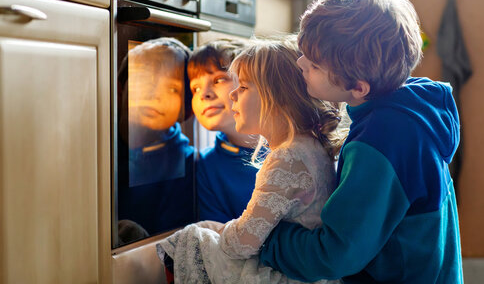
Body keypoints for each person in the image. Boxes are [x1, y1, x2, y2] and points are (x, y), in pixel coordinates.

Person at [259, 0, 464, 283]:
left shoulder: (382, 142)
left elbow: (335, 255)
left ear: (358, 88)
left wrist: (268, 237)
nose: (300, 64)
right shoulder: (410, 107)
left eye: (314, 64)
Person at [156, 38, 344, 284]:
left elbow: (242, 244)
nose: (234, 93)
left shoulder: (286, 156)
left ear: (277, 98)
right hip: (307, 272)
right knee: (206, 228)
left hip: (287, 275)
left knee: (190, 238)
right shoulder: (312, 147)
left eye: (242, 87)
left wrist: (219, 233)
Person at [117, 37, 196, 244]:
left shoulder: (186, 162)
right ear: (119, 89)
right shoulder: (97, 142)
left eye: (171, 88)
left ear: (185, 109)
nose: (154, 95)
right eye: (143, 80)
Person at [187, 39, 261, 223]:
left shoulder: (293, 147)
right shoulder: (206, 165)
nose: (204, 94)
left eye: (219, 79)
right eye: (195, 88)